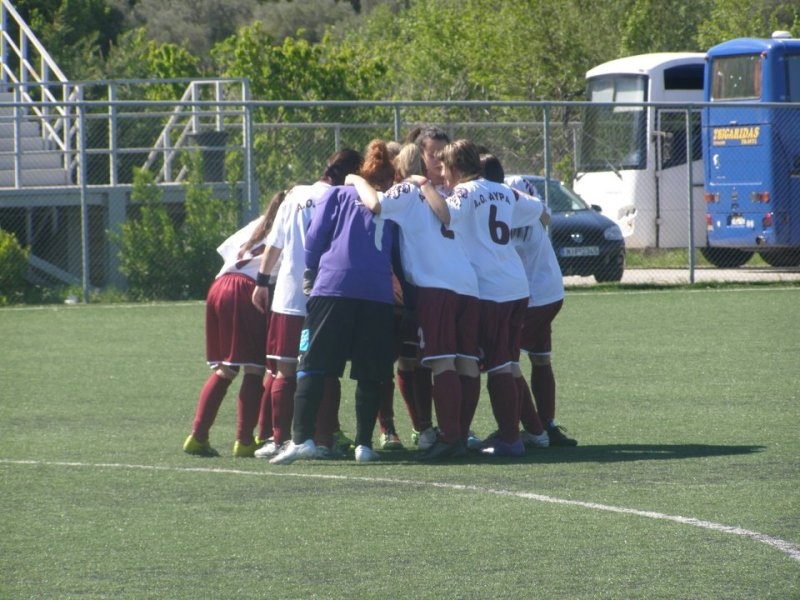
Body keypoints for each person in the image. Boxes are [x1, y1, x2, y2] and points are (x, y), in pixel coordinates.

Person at [347, 142, 481, 460]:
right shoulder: (440, 192)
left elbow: (375, 204)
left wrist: (355, 180)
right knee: (467, 361)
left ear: (399, 170)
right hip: (468, 283)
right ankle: (460, 434)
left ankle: (449, 438)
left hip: (436, 286)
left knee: (442, 361)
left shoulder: (406, 191)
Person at [268, 139, 398, 465]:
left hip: (333, 289)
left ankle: (302, 440)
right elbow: (398, 250)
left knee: (312, 364)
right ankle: (364, 444)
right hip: (376, 295)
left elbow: (315, 238)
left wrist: (311, 271)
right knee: (369, 372)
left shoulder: (338, 194)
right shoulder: (394, 202)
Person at [251, 149, 363, 460]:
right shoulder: (346, 198)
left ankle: (280, 439)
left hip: (288, 296)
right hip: (326, 297)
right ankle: (325, 439)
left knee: (284, 371)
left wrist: (261, 283)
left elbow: (275, 243)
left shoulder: (296, 194)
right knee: (326, 372)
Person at [436, 139, 546, 457]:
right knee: (508, 363)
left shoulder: (464, 193)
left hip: (489, 290)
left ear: (456, 168)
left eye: (444, 168)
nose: (442, 175)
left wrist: (423, 190)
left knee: (492, 365)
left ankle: (510, 440)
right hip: (516, 286)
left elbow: (444, 215)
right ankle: (514, 435)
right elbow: (538, 210)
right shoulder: (503, 189)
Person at [182, 190, 285, 457]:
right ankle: (244, 440)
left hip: (219, 287)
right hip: (244, 290)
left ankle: (198, 436)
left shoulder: (258, 223)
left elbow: (228, 252)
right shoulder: (291, 225)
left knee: (226, 367)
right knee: (254, 368)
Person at [392, 125, 453, 449]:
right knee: (410, 358)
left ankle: (451, 428)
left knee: (448, 358)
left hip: (452, 287)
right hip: (414, 286)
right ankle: (421, 426)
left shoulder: (457, 189)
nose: (441, 162)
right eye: (434, 155)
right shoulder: (410, 192)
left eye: (445, 155)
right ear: (419, 156)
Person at [505, 173, 577, 446]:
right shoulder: (511, 189)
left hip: (531, 295)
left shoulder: (510, 186)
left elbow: (545, 214)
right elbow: (545, 214)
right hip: (547, 290)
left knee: (505, 361)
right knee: (540, 357)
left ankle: (534, 430)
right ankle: (547, 424)